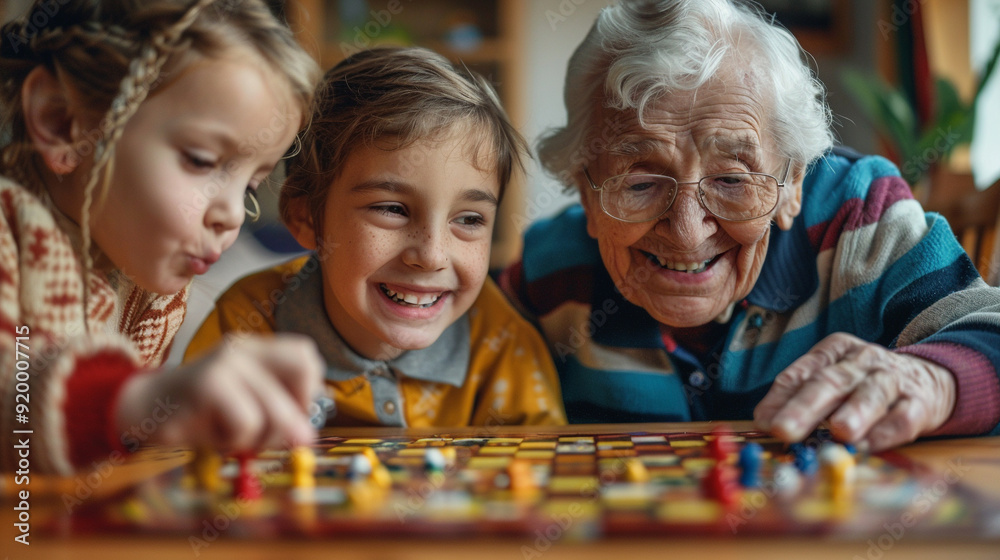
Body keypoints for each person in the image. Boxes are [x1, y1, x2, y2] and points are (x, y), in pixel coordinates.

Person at [501, 0, 1000, 451]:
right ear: (588, 193)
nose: (687, 232)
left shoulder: (857, 217)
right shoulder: (552, 269)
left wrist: (931, 380)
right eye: (640, 184)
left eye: (731, 179)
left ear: (794, 182)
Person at [0, 0, 325, 474]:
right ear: (62, 122)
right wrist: (138, 403)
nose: (232, 215)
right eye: (200, 160)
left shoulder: (149, 283)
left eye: (252, 185)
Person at [185, 47, 566, 428]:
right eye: (391, 209)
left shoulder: (500, 338)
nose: (432, 255)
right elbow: (188, 454)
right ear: (306, 217)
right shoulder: (247, 323)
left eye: (468, 218)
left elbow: (540, 471)